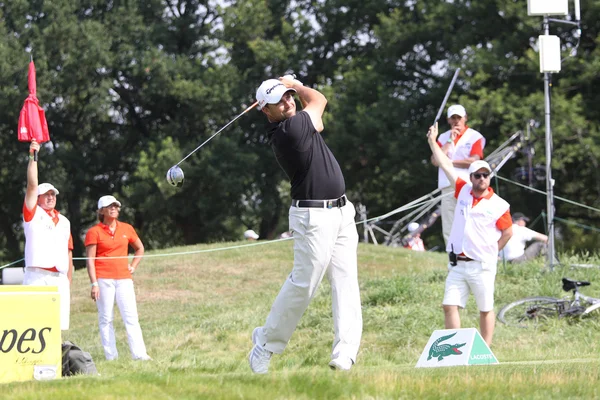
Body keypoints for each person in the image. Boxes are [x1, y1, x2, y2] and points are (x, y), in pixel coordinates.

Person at [248, 75, 362, 373]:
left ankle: (345, 352)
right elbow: (319, 101)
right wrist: (296, 84)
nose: (286, 103)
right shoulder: (289, 130)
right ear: (265, 111)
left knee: (345, 282)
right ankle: (265, 342)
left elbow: (318, 121)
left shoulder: (298, 122)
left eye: (287, 96)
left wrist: (290, 88)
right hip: (314, 217)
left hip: (341, 211)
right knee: (304, 284)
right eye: (278, 101)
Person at [428, 122, 512, 346]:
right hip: (457, 263)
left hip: (481, 264)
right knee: (449, 305)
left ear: (489, 177)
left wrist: (492, 250)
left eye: (485, 175)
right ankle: (454, 347)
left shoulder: (499, 204)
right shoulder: (463, 190)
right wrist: (432, 142)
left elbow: (508, 232)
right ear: (471, 177)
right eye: (477, 175)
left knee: (485, 309)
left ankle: (485, 349)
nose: (481, 178)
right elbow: (445, 164)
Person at [85, 195, 151, 361]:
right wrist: (94, 283)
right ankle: (111, 356)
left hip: (124, 279)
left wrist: (133, 266)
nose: (113, 208)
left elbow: (140, 249)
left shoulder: (127, 228)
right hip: (103, 279)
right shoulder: (94, 232)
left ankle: (140, 354)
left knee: (131, 317)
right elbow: (90, 261)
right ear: (102, 211)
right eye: (109, 206)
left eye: (115, 205)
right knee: (106, 318)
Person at [22, 139, 74, 331]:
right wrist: (33, 156)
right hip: (36, 275)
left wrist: (68, 280)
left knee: (59, 324)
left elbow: (69, 254)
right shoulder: (32, 213)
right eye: (46, 194)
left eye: (53, 194)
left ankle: (56, 360)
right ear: (38, 198)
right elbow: (32, 185)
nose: (50, 197)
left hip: (59, 277)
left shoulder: (65, 221)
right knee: (34, 322)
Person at [431, 105, 486, 247]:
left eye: (459, 117)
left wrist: (448, 162)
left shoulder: (474, 136)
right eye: (453, 118)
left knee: (469, 221)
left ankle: (470, 253)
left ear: (465, 118)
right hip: (447, 187)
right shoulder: (443, 137)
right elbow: (435, 160)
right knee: (449, 224)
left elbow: (474, 160)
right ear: (449, 120)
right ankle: (453, 257)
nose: (456, 121)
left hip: (467, 185)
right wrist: (449, 141)